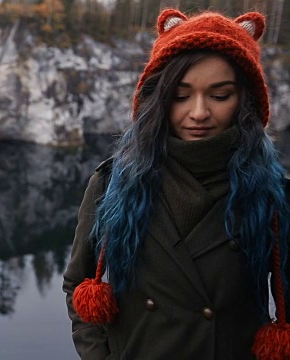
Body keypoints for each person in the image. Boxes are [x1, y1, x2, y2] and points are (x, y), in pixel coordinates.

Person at [62, 9, 290, 360]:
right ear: (159, 99)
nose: (198, 112)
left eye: (220, 95)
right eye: (181, 96)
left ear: (245, 101)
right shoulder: (113, 184)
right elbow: (78, 283)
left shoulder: (275, 196)